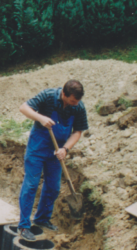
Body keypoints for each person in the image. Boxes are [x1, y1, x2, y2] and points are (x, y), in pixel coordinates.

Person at [17, 79, 88, 241]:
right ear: (64, 94)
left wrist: (65, 149)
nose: (74, 104)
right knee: (31, 185)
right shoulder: (48, 96)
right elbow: (24, 107)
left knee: (54, 187)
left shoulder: (78, 106)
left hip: (57, 150)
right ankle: (23, 226)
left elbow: (77, 131)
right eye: (71, 101)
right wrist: (40, 118)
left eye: (77, 102)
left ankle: (42, 218)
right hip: (38, 147)